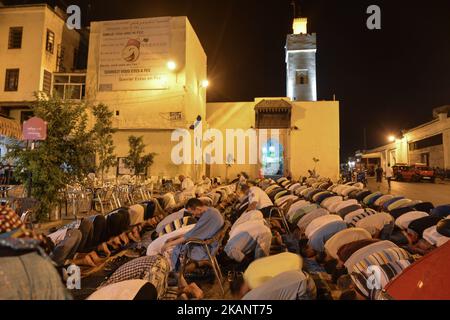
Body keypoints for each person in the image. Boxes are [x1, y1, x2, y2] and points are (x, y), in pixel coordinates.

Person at [161, 198, 224, 271]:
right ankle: (178, 272)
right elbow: (194, 232)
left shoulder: (209, 216)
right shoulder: (212, 211)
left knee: (169, 249)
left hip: (206, 248)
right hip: (210, 243)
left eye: (192, 212)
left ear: (198, 208)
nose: (193, 215)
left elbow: (190, 236)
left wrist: (169, 244)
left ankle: (177, 273)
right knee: (174, 244)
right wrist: (175, 237)